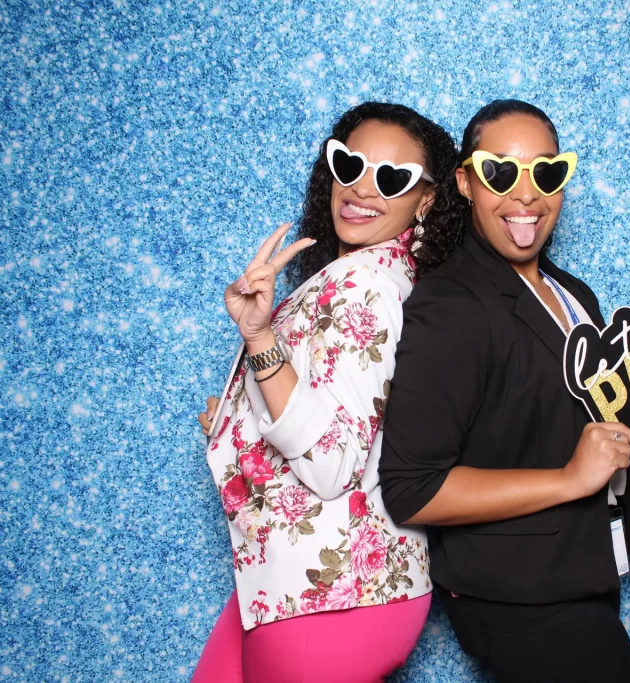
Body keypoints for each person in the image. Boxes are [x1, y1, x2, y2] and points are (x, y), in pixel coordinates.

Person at [378, 99, 630, 683]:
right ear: (465, 182)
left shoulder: (573, 296)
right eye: (500, 172)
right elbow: (412, 490)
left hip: (580, 581)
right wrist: (569, 479)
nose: (526, 194)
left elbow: (610, 453)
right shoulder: (452, 305)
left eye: (546, 172)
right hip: (518, 599)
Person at [192, 102, 465, 683]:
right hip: (300, 579)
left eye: (393, 178)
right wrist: (242, 418)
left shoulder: (364, 282)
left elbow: (331, 463)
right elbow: (348, 416)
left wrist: (259, 337)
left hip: (329, 591)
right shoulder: (379, 277)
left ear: (427, 200)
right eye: (350, 164)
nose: (363, 187)